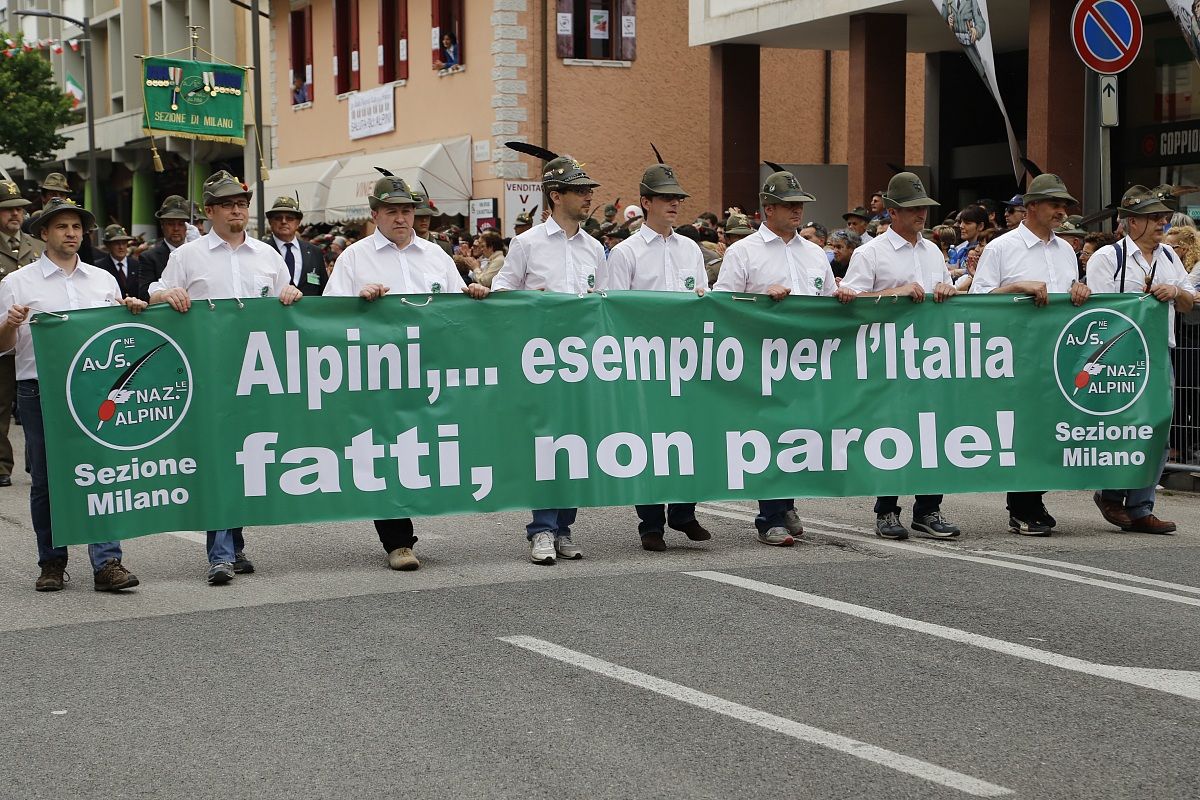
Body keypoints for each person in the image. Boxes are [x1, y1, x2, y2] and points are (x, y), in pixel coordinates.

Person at [324, 174, 488, 571]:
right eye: (392, 211)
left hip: (429, 373)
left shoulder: (435, 256)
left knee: (425, 449)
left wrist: (473, 295)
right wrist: (359, 303)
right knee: (383, 451)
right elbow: (328, 317)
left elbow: (454, 309)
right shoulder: (354, 258)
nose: (401, 218)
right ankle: (397, 540)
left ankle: (411, 516)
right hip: (377, 374)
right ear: (375, 214)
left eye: (407, 211)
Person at [149, 171, 302, 584]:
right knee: (217, 457)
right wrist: (167, 295)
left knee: (245, 456)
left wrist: (291, 295)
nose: (238, 209)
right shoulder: (188, 256)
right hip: (209, 371)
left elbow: (288, 297)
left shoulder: (268, 256)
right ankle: (220, 552)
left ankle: (233, 544)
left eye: (243, 203)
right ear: (210, 210)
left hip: (258, 370)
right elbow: (155, 291)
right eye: (229, 203)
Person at [0, 198, 146, 592]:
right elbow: (2, 347)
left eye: (77, 227)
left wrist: (132, 310)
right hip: (39, 389)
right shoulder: (17, 283)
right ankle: (51, 561)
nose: (71, 234)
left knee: (102, 473)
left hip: (95, 389)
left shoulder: (102, 281)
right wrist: (10, 324)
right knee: (47, 479)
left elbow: (117, 334)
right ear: (43, 233)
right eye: (62, 227)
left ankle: (107, 562)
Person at [714, 165, 838, 547]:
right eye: (788, 205)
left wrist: (842, 296)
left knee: (801, 431)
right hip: (762, 358)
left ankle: (784, 503)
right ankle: (770, 514)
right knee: (769, 433)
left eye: (800, 204)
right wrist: (761, 300)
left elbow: (829, 299)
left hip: (807, 358)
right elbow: (723, 304)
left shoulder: (815, 254)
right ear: (768, 209)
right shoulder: (743, 252)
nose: (797, 211)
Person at [493, 149, 606, 564]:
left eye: (588, 190)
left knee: (576, 442)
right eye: (579, 190)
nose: (587, 197)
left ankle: (564, 527)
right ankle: (541, 528)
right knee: (547, 442)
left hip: (585, 359)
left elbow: (604, 302)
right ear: (556, 195)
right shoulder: (527, 243)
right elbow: (503, 290)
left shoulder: (595, 248)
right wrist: (527, 298)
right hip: (540, 360)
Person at [840, 173, 962, 541]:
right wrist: (898, 292)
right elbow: (848, 302)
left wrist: (947, 289)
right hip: (887, 359)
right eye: (913, 208)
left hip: (931, 358)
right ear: (892, 212)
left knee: (933, 430)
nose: (921, 214)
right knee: (892, 432)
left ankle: (928, 508)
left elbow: (948, 298)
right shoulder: (870, 253)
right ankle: (887, 509)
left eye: (924, 207)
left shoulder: (931, 251)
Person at [969, 173, 1091, 535]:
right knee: (1025, 429)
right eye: (1055, 204)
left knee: (1049, 429)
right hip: (1016, 354)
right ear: (1031, 207)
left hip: (1058, 354)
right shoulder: (1002, 248)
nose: (1062, 211)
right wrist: (1017, 287)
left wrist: (1080, 289)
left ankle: (1033, 498)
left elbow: (1069, 291)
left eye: (1065, 205)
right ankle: (1023, 504)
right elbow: (977, 299)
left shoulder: (1066, 249)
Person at [602, 157, 712, 552]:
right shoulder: (626, 252)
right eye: (666, 198)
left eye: (677, 198)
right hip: (643, 360)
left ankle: (683, 512)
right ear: (646, 202)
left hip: (686, 358)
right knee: (647, 440)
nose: (674, 204)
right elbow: (613, 308)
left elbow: (702, 299)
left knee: (689, 436)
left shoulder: (690, 250)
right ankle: (650, 522)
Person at [1087, 186, 1196, 535]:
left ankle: (1141, 506)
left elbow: (1188, 302)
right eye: (1153, 217)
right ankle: (1111, 494)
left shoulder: (1168, 257)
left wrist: (1175, 292)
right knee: (1120, 427)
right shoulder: (1108, 257)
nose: (1162, 222)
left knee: (1157, 427)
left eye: (1163, 216)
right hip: (1119, 355)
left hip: (1158, 353)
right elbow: (1100, 309)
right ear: (1131, 223)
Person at [0, 180, 42, 490]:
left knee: (35, 402)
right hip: (3, 333)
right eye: (8, 209)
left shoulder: (38, 246)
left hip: (36, 338)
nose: (15, 214)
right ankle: (2, 464)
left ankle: (34, 459)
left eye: (19, 208)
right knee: (2, 404)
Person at [265, 195, 327, 296]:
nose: (284, 221)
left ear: (298, 223)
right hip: (275, 311)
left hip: (308, 311)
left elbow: (324, 291)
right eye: (278, 218)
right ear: (270, 222)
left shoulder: (315, 252)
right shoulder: (262, 251)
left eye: (289, 218)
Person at [136, 195, 191, 301]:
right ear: (162, 225)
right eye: (170, 224)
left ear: (187, 226)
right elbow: (144, 294)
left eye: (180, 224)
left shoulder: (197, 252)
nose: (176, 229)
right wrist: (161, 294)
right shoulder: (149, 257)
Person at [95, 224, 141, 299]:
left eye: (124, 243)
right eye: (116, 243)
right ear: (108, 245)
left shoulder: (137, 265)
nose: (121, 247)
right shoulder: (99, 267)